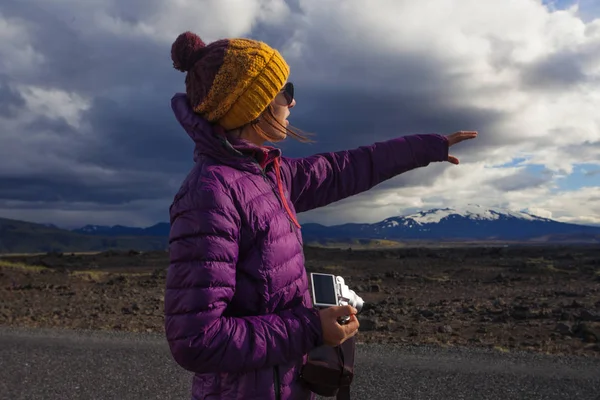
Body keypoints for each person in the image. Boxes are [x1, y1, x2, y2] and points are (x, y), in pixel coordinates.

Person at [164, 31, 477, 400]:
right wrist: (311, 328)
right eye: (286, 91)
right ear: (254, 105)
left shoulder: (266, 175)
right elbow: (196, 340)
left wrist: (428, 147)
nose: (292, 103)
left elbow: (344, 168)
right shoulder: (210, 194)